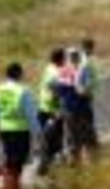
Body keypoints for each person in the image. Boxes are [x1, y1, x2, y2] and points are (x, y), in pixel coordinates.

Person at [0, 62, 40, 189]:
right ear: (19, 74)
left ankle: (10, 185)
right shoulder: (23, 91)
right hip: (20, 131)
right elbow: (31, 115)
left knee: (9, 162)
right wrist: (38, 132)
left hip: (4, 129)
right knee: (16, 165)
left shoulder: (0, 89)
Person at [36, 48, 66, 176]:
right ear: (60, 59)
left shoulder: (48, 68)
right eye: (64, 58)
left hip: (42, 107)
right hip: (52, 110)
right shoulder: (57, 72)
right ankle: (47, 167)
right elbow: (53, 88)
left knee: (46, 137)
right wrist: (59, 107)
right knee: (54, 140)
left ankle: (45, 164)